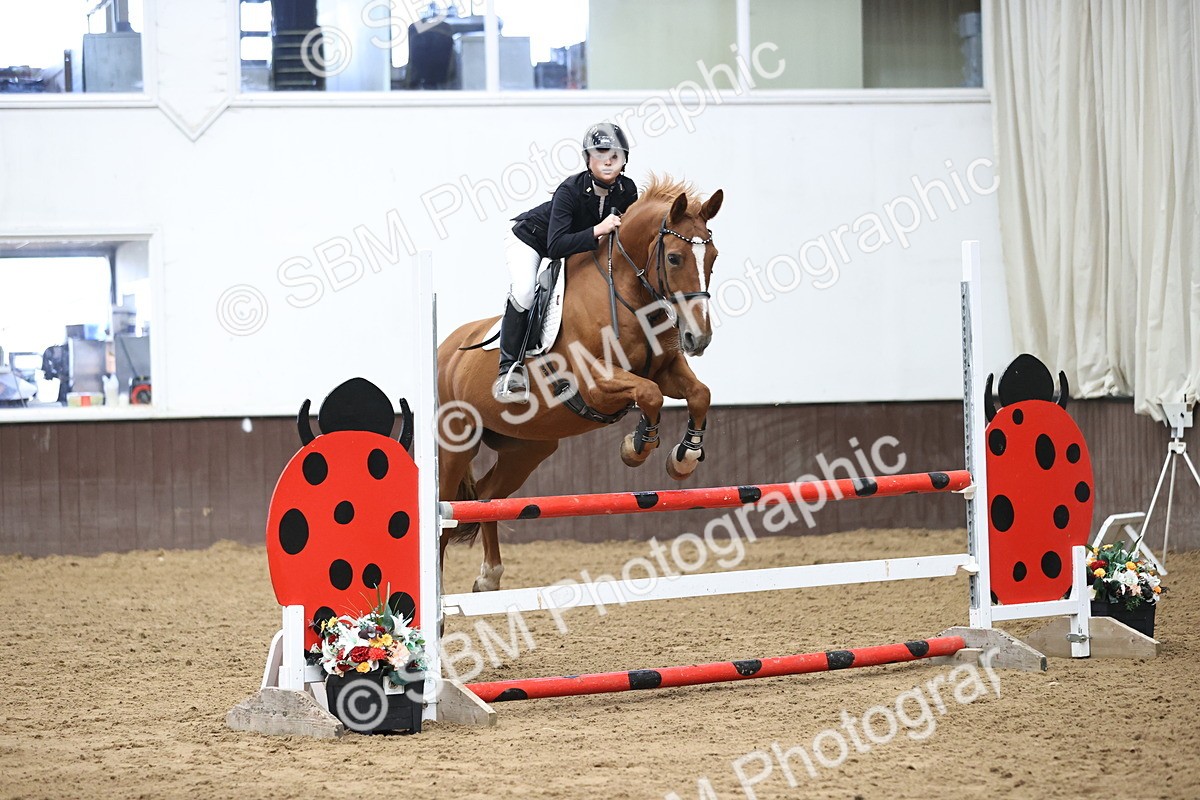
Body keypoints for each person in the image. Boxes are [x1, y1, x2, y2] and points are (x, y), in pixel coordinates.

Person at [493, 122, 639, 403]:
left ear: (624, 161)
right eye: (600, 155)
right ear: (588, 159)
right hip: (530, 240)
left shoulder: (628, 191)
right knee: (525, 290)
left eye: (615, 156)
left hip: (575, 247)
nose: (608, 162)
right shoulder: (569, 190)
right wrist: (598, 229)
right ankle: (508, 370)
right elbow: (556, 245)